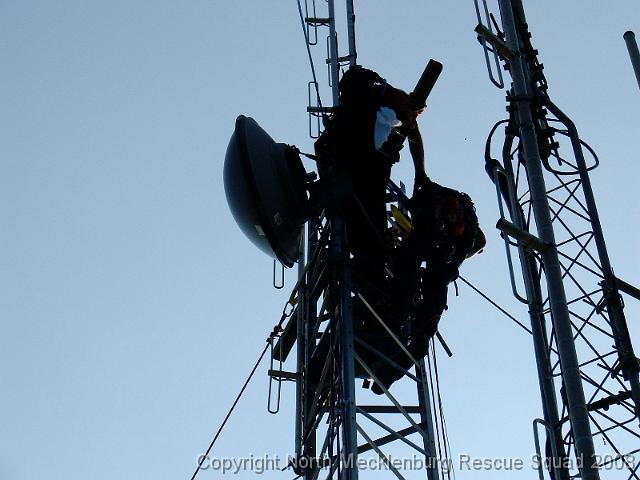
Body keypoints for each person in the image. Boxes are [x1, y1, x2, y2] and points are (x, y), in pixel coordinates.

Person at [315, 65, 428, 293]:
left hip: (349, 167)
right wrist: (420, 173)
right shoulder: (381, 110)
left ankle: (368, 273)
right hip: (363, 169)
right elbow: (413, 135)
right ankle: (370, 277)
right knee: (369, 229)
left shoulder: (363, 109)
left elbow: (321, 146)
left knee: (361, 227)